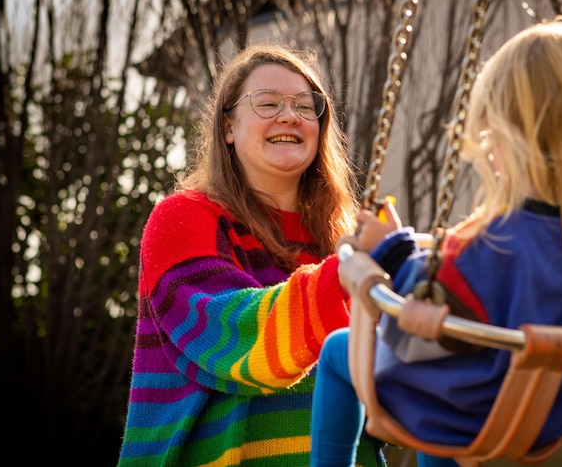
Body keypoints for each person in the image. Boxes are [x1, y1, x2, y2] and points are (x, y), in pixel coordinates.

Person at [309, 18, 562, 467]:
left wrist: (393, 246)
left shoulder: (497, 241)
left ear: (509, 136)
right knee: (447, 373)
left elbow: (429, 296)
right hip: (541, 418)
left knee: (340, 351)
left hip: (450, 406)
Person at [117, 43, 386, 466]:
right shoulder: (184, 217)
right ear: (228, 126)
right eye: (267, 104)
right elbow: (228, 335)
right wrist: (345, 278)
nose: (289, 115)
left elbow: (386, 381)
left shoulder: (343, 239)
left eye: (304, 105)